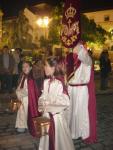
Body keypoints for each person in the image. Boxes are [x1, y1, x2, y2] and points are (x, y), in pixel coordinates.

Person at [38, 57, 75, 150]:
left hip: (56, 118)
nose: (44, 68)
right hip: (46, 116)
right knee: (47, 139)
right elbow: (42, 96)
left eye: (46, 66)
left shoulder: (59, 84)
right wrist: (42, 102)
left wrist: (48, 105)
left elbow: (65, 102)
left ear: (53, 68)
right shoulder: (46, 82)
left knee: (59, 141)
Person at [68, 41, 97, 144]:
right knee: (71, 112)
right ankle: (73, 132)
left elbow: (84, 57)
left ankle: (82, 133)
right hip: (71, 89)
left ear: (81, 47)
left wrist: (79, 48)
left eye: (76, 46)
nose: (73, 49)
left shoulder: (86, 59)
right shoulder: (71, 59)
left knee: (80, 112)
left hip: (81, 89)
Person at [15, 61, 40, 136]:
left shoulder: (31, 78)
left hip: (28, 99)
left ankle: (27, 126)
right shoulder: (23, 76)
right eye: (23, 67)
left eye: (26, 66)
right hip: (22, 98)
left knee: (26, 112)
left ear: (31, 67)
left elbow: (28, 90)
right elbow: (20, 86)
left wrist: (19, 93)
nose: (24, 68)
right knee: (21, 112)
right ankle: (22, 125)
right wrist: (17, 90)